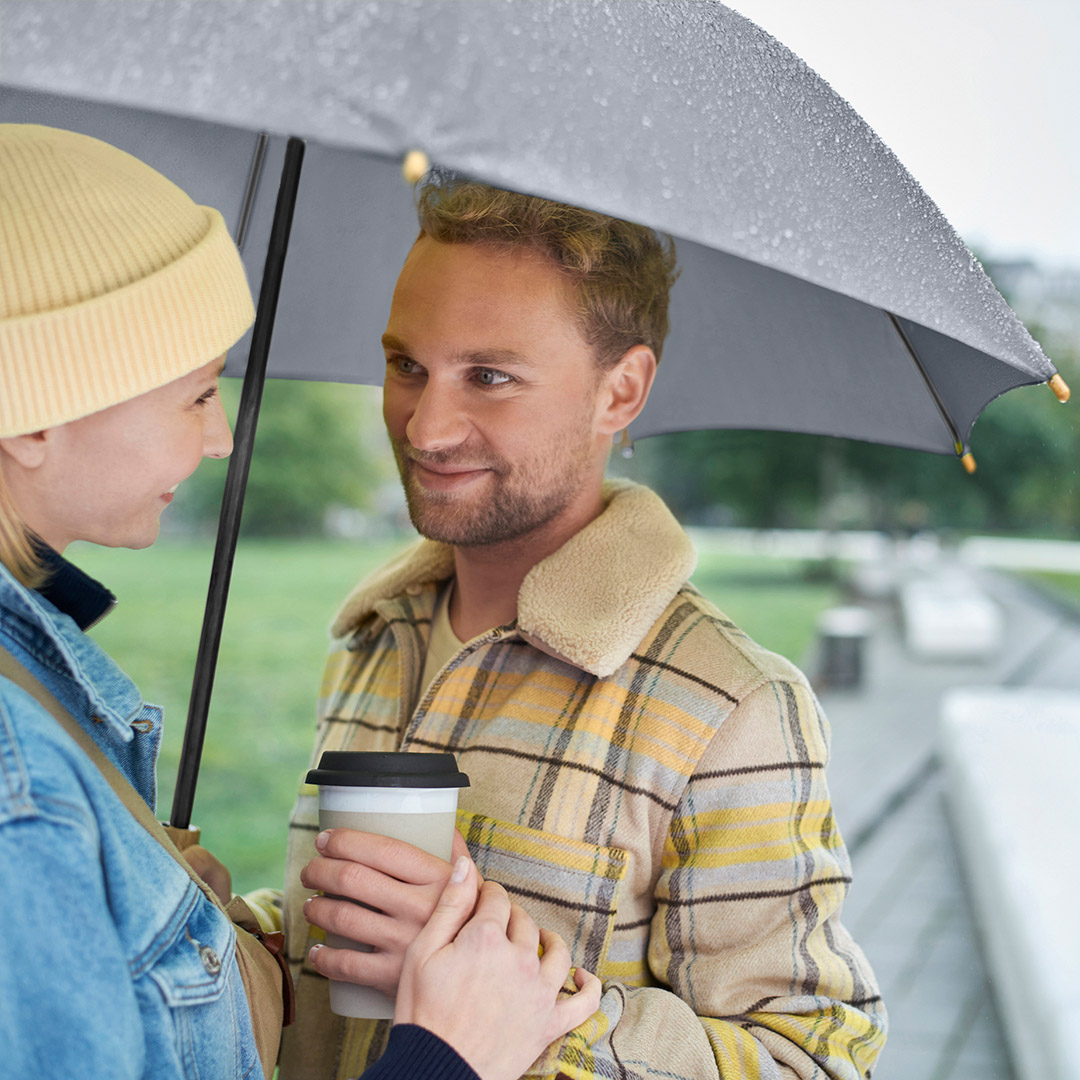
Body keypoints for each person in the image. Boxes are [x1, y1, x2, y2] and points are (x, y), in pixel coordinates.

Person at [0, 124, 599, 1080]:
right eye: (198, 394)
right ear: (33, 414)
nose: (221, 439)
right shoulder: (18, 786)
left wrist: (167, 921)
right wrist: (448, 1056)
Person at [282, 175, 888, 1079]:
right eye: (408, 364)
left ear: (622, 390)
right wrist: (225, 932)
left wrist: (538, 1012)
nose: (425, 425)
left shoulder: (733, 710)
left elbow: (816, 1062)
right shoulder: (377, 636)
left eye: (489, 377)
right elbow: (320, 979)